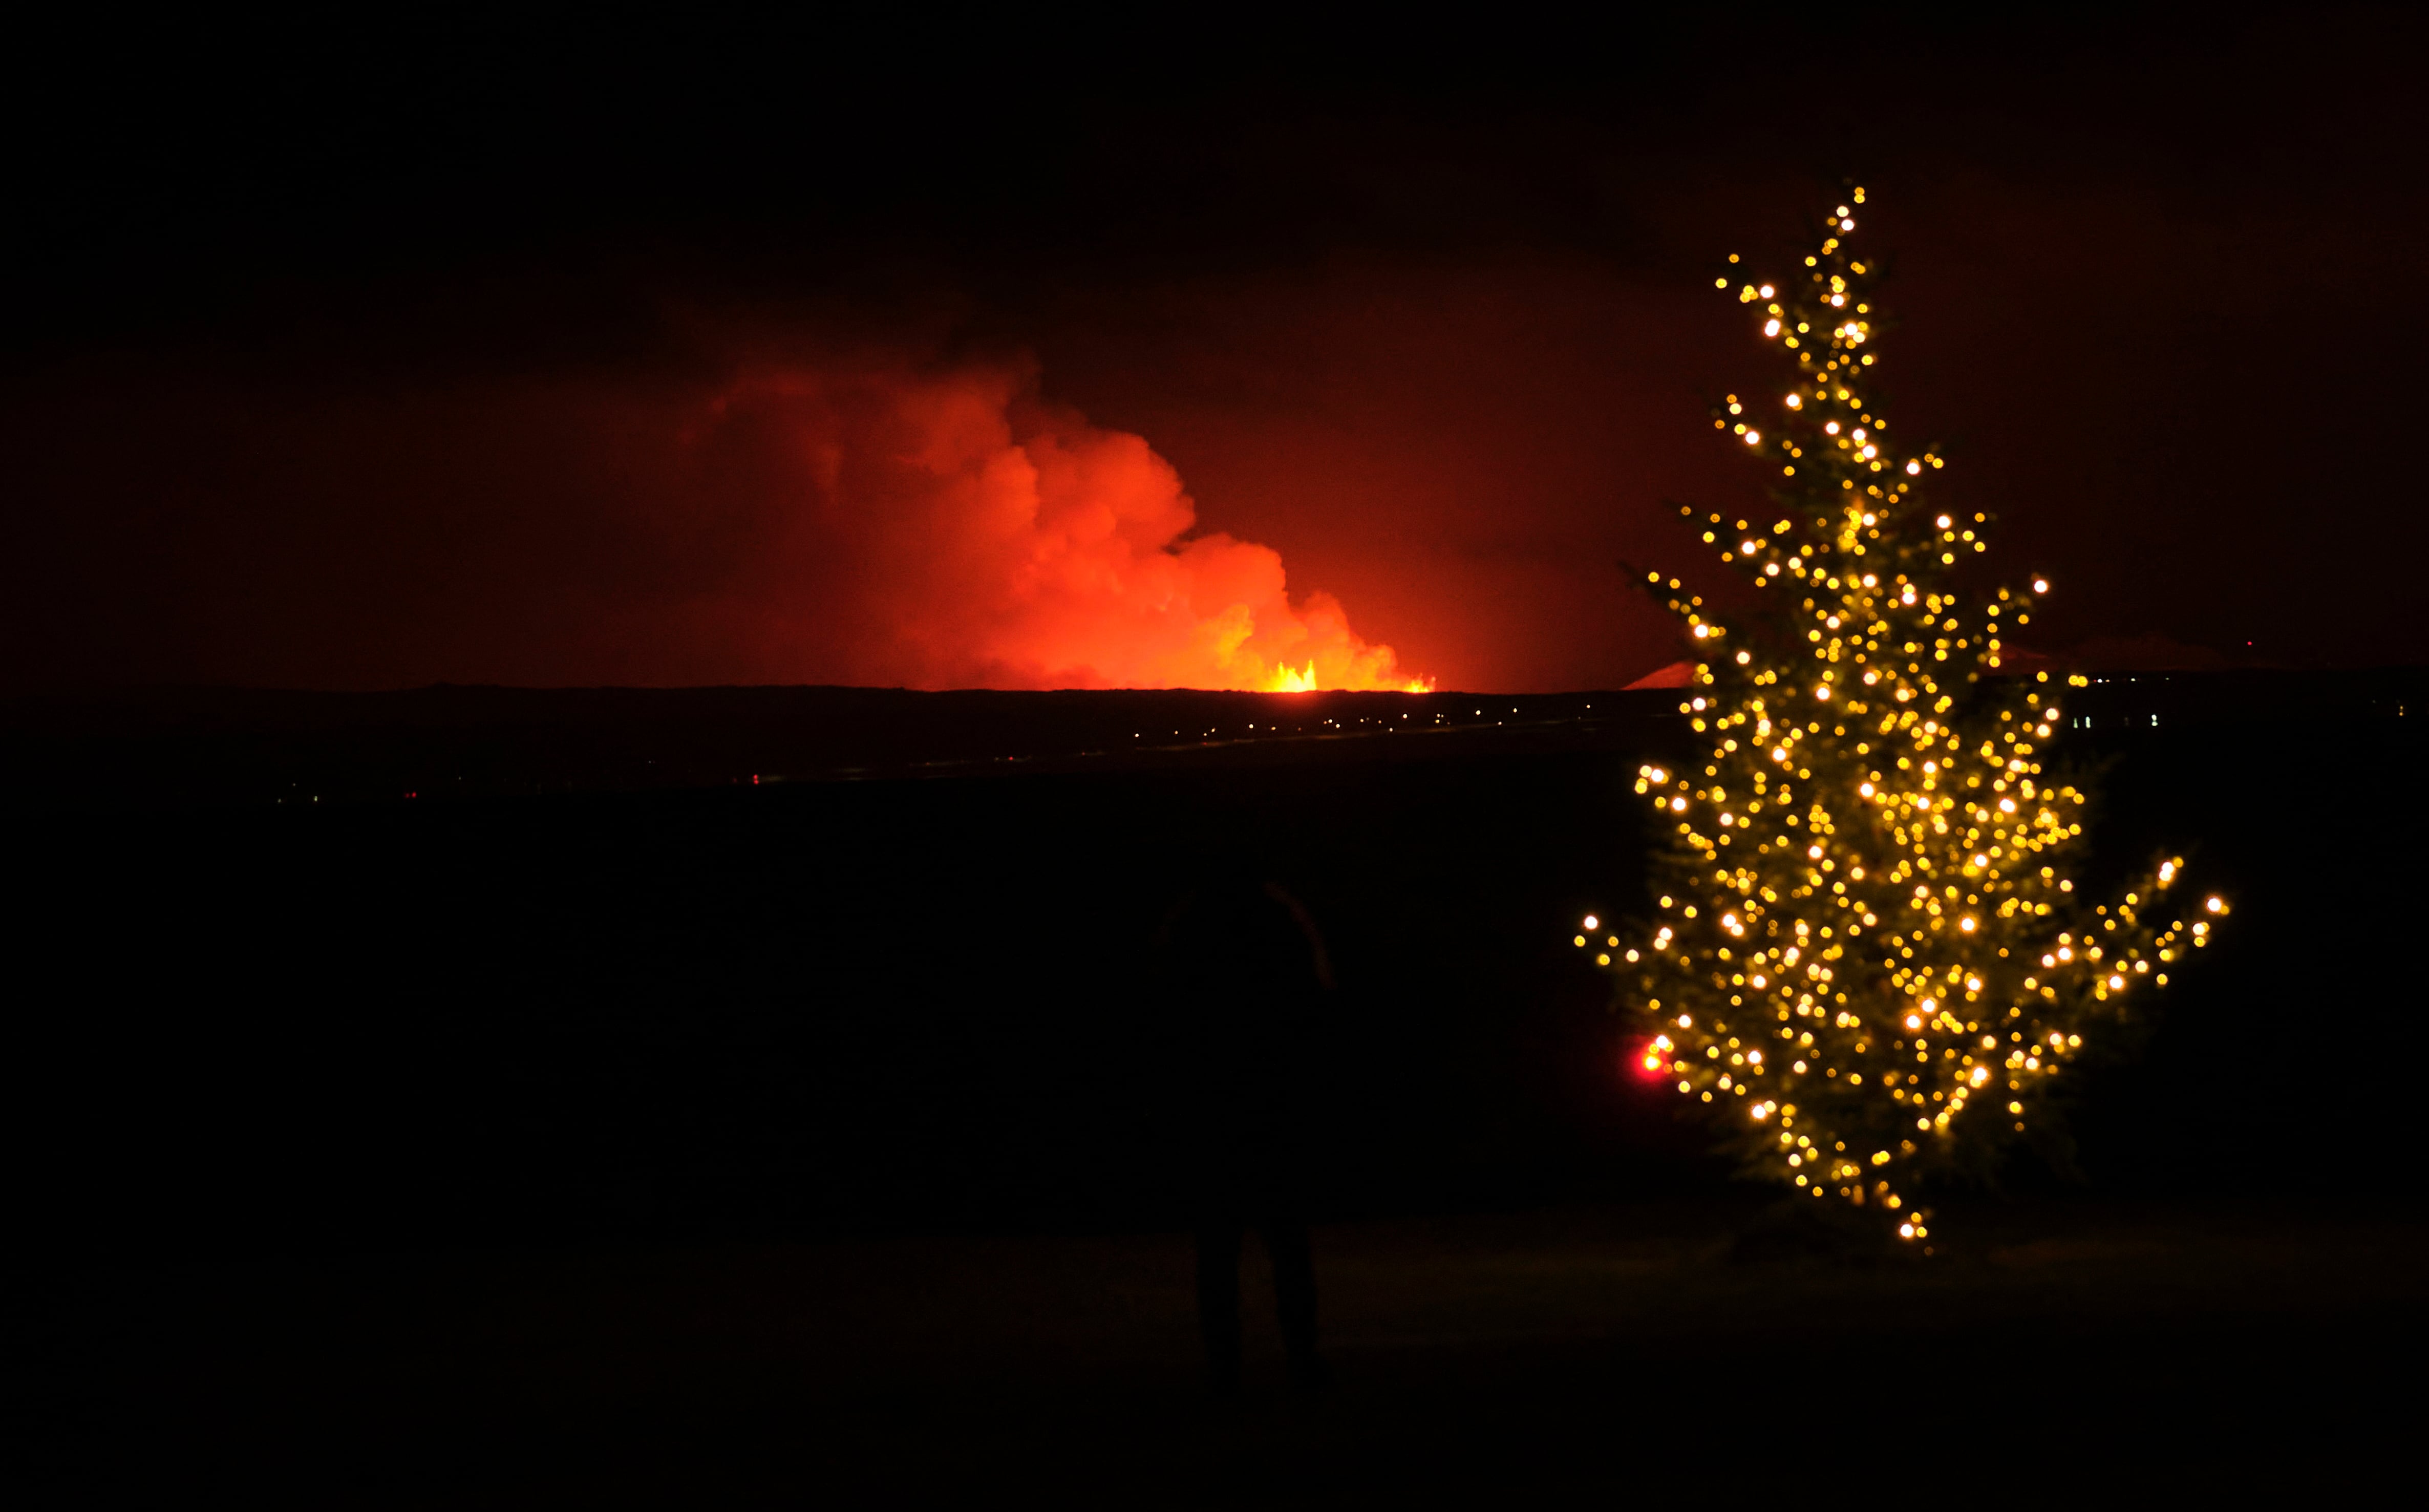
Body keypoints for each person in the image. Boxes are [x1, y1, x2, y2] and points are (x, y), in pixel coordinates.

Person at [1153, 862, 1334, 1397]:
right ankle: (1299, 1358)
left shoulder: (1192, 918)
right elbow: (1317, 1000)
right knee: (1284, 1243)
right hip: (1268, 1102)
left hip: (1217, 1105)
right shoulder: (1278, 914)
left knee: (1220, 1247)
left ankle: (1227, 1364)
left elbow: (1163, 1009)